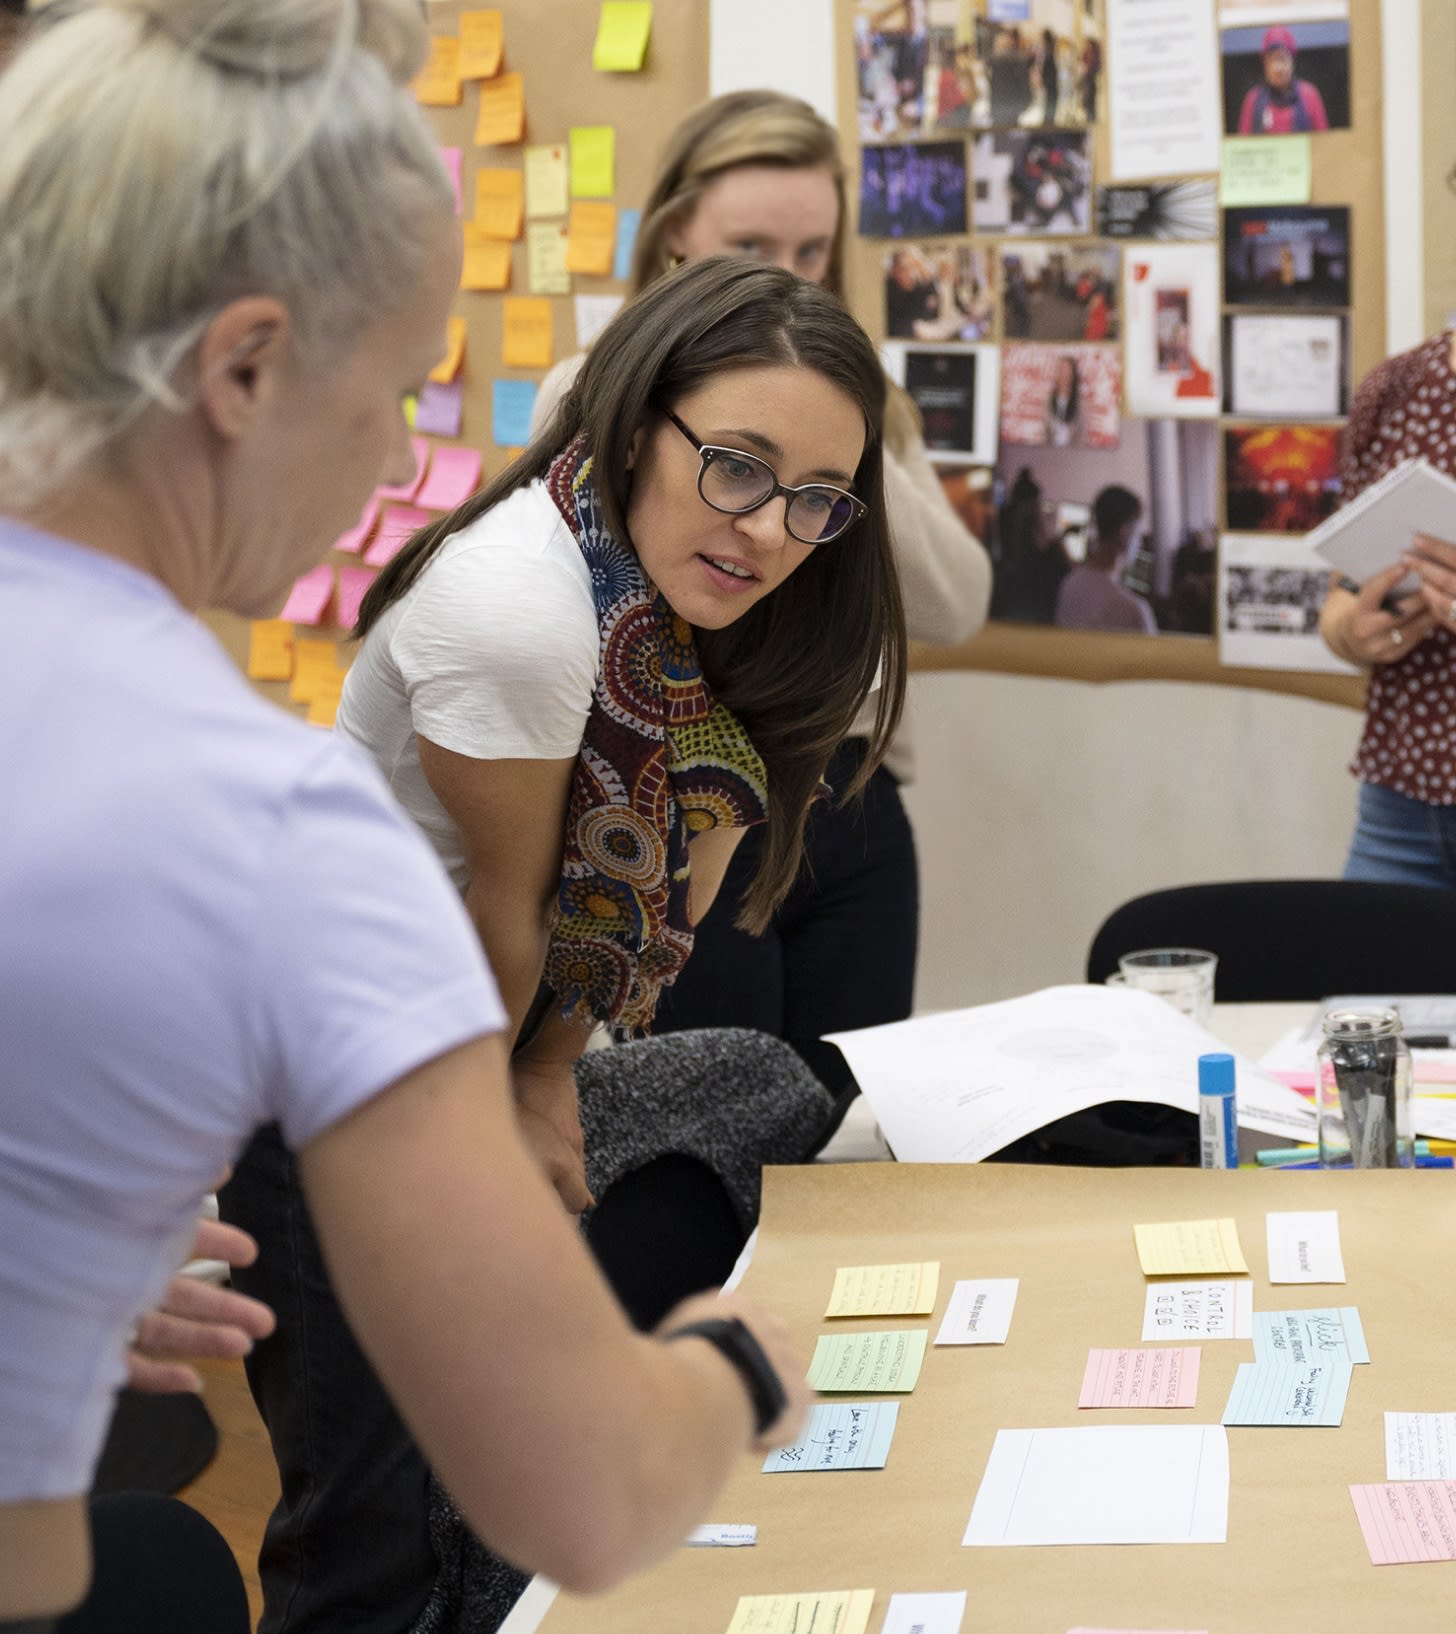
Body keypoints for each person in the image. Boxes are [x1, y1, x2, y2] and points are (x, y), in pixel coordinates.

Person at [0, 5, 815, 1631]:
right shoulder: (272, 823)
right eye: (389, 390)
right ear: (241, 365)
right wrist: (735, 1364)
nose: (391, 453)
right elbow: (581, 1484)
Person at [531, 90, 991, 1097]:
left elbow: (959, 604)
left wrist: (846, 422)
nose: (785, 279)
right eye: (749, 246)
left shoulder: (868, 401)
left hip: (853, 797)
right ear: (672, 238)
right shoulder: (597, 384)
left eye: (812, 253)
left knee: (843, 1135)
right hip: (692, 800)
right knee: (710, 1124)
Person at [1318, 329, 1456, 887]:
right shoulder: (1395, 388)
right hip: (1402, 809)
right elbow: (1340, 598)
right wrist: (1355, 630)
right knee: (1365, 973)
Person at [1054, 486, 1155, 634]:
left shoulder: (1068, 585)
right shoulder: (1133, 610)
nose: (1139, 544)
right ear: (1124, 532)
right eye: (1137, 534)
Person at [1237, 25, 1329, 135]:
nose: (1278, 68)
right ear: (1265, 64)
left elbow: (1325, 144)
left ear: (1292, 62)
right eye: (1273, 60)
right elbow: (1242, 146)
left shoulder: (1309, 95)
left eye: (1283, 59)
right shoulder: (1253, 99)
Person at [1045, 354, 1081, 447]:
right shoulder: (1048, 399)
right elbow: (1045, 432)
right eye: (1061, 370)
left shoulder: (1080, 403)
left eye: (1067, 370)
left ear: (1073, 374)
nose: (1063, 374)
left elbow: (1082, 435)